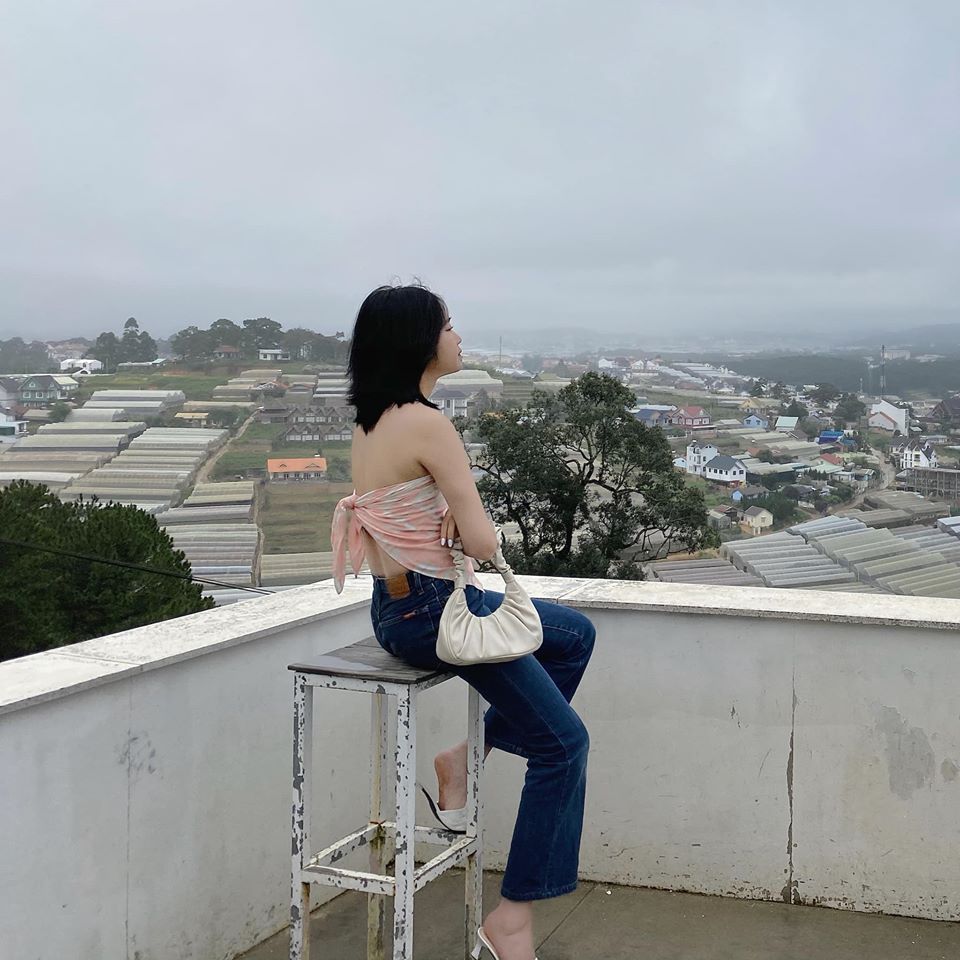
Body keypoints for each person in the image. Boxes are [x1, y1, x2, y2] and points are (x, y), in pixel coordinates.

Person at [332, 283, 596, 960]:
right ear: (420, 341)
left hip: (396, 608)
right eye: (448, 325)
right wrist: (463, 508)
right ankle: (510, 920)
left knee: (574, 636)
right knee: (563, 746)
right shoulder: (428, 424)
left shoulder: (373, 422)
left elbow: (416, 510)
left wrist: (448, 503)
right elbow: (480, 544)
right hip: (433, 609)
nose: (458, 336)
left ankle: (464, 756)